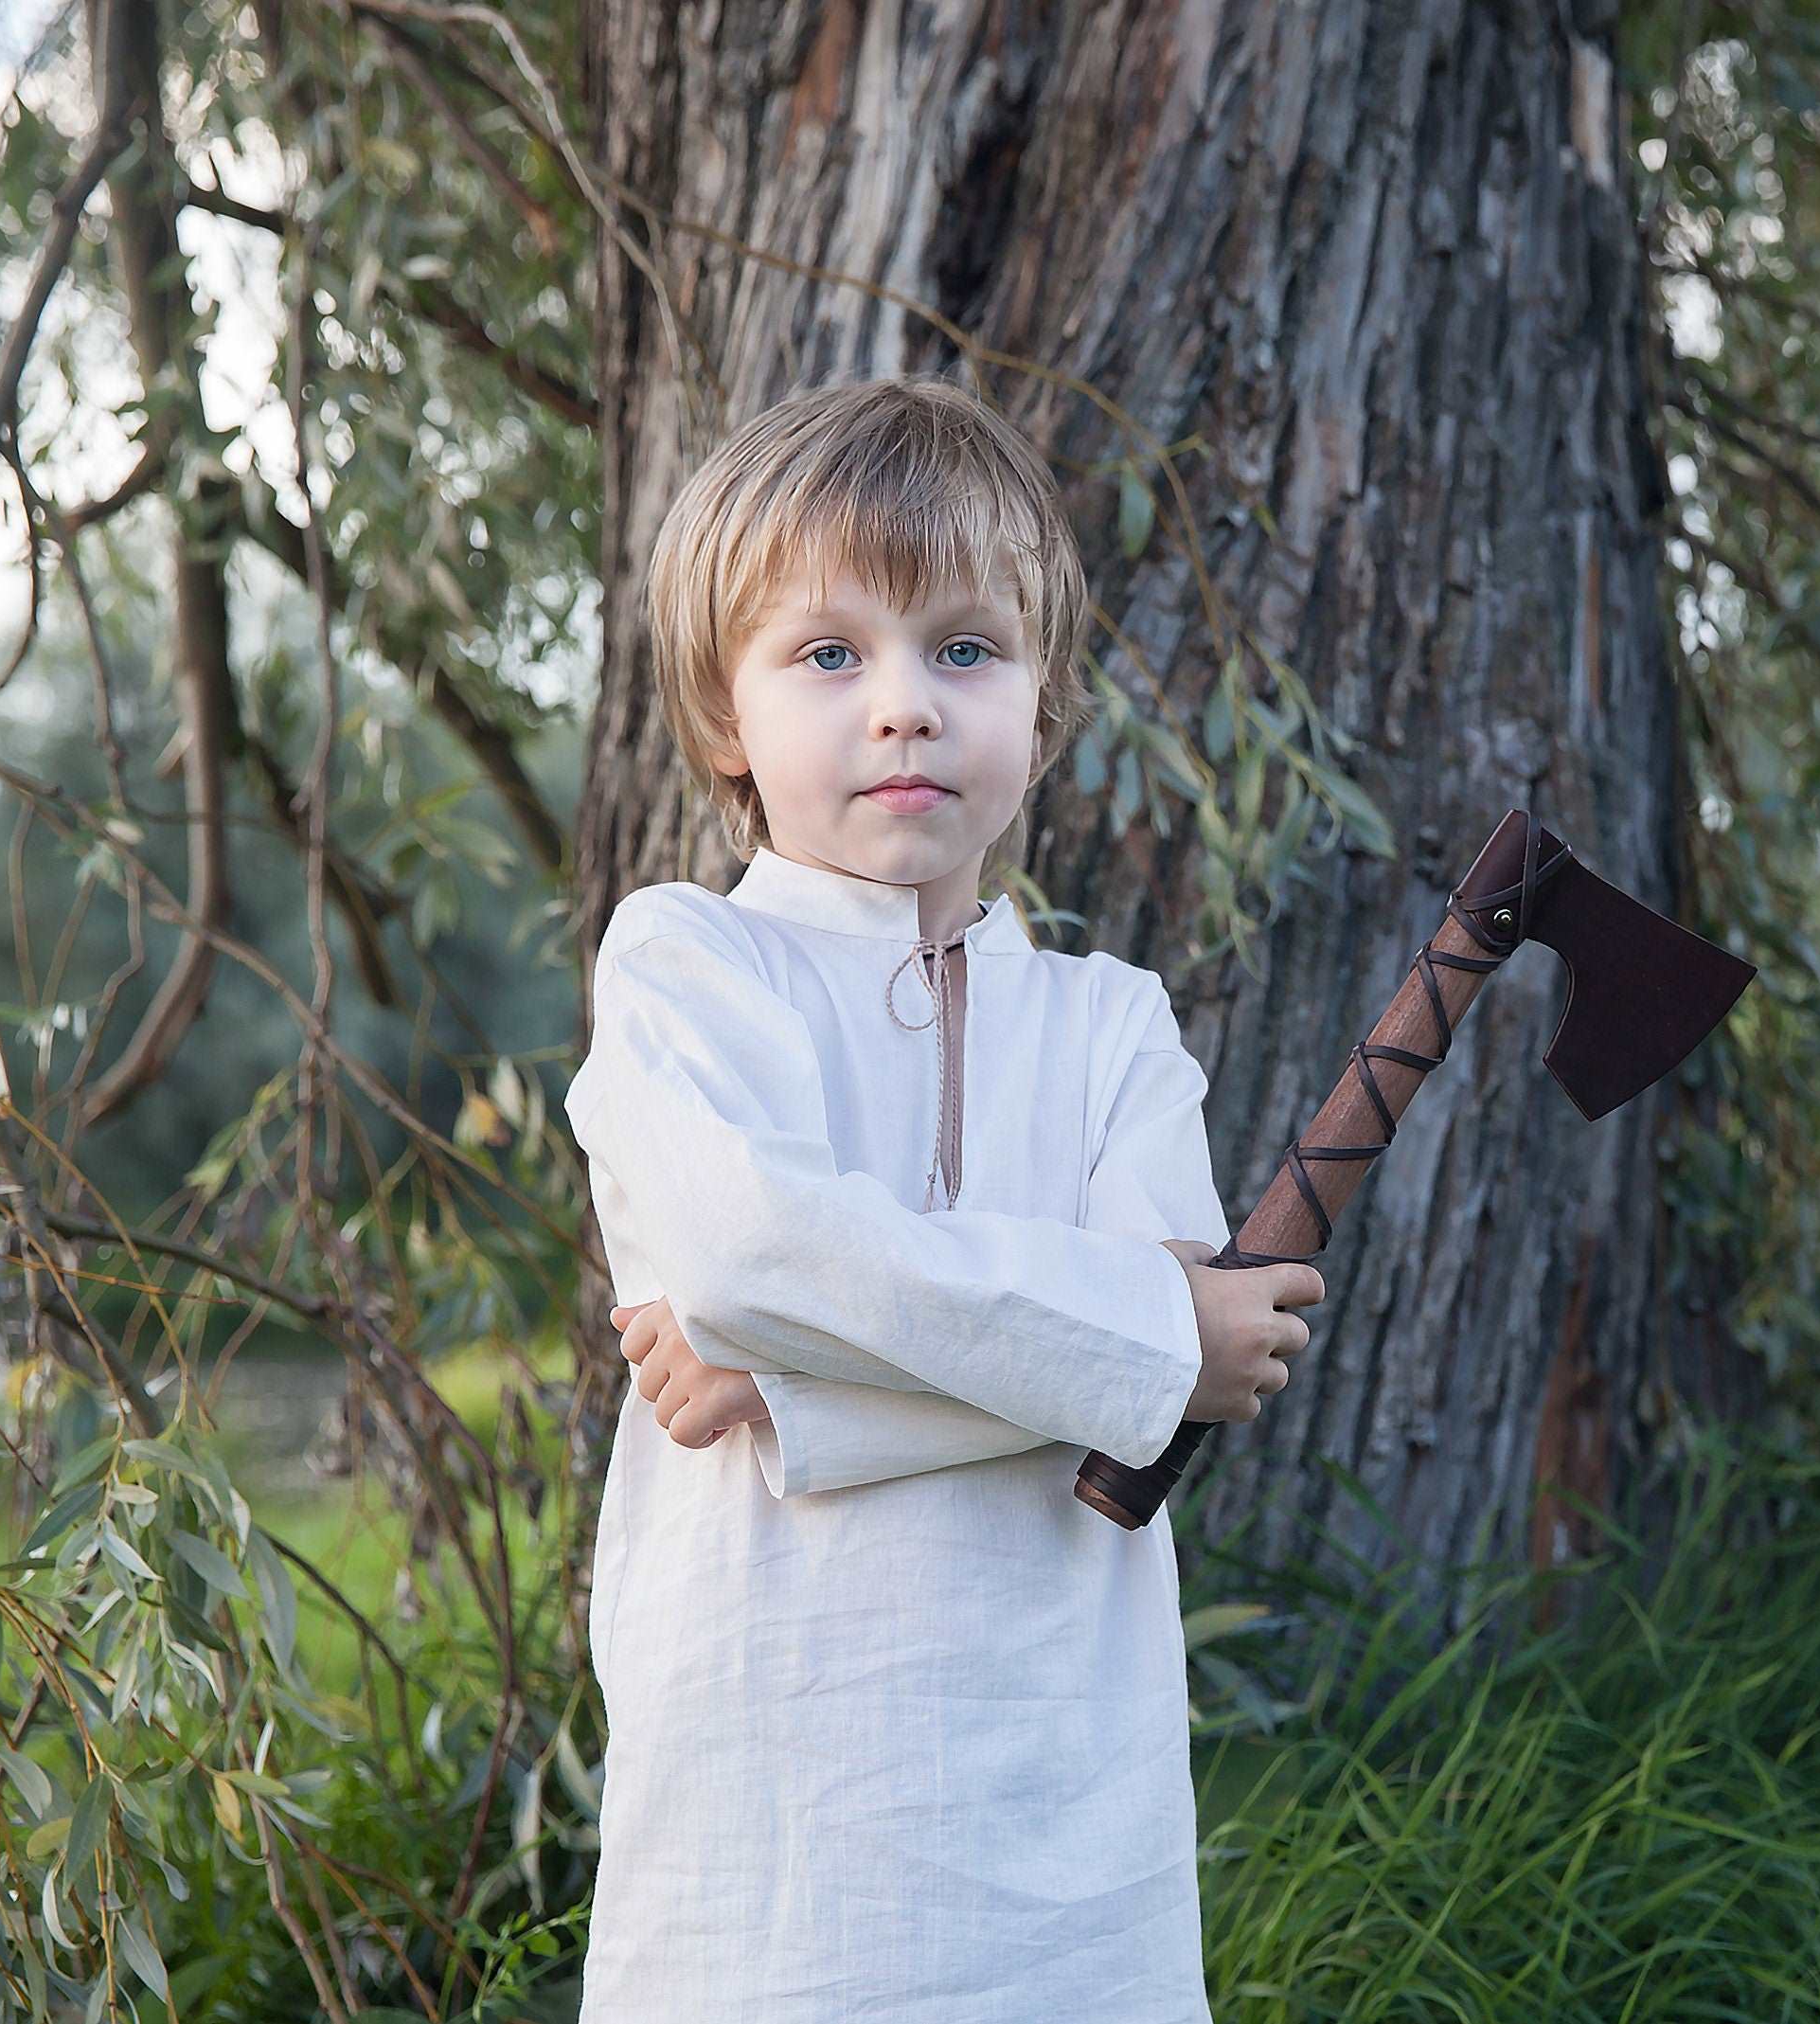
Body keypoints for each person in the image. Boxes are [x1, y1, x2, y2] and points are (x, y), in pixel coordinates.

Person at [562, 372, 1324, 2022]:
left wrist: (790, 1388)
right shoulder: (685, 967)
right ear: (723, 718)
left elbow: (1152, 1392)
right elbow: (762, 1255)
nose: (906, 704)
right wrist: (1146, 1338)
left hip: (1069, 1820)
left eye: (966, 648)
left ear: (1041, 715)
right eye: (830, 654)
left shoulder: (1110, 1025)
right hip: (770, 1824)